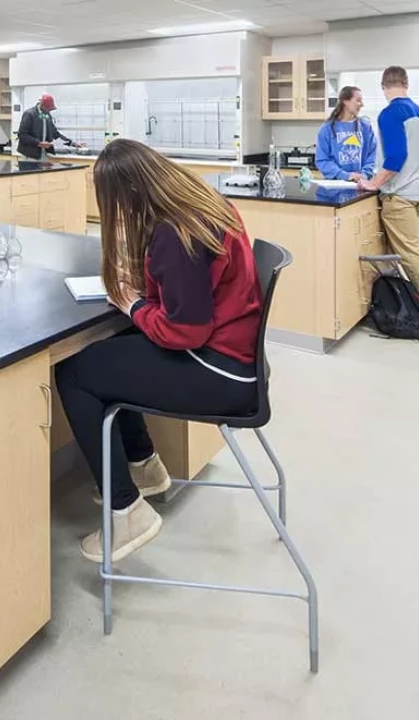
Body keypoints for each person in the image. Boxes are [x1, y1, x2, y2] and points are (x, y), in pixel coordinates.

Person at [55, 139, 263, 563]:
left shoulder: (175, 233)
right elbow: (193, 288)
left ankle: (126, 511)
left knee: (75, 372)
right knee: (108, 355)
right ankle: (143, 465)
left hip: (219, 372)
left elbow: (185, 331)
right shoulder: (202, 205)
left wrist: (132, 304)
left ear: (131, 192)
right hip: (236, 359)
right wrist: (146, 288)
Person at [357, 66, 419, 327]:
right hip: (417, 191)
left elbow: (395, 158)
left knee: (410, 253)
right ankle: (403, 302)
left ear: (383, 86)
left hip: (400, 194)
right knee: (406, 251)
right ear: (406, 83)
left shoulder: (390, 114)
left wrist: (373, 183)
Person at [316, 86, 378, 182]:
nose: (362, 104)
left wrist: (364, 174)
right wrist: (345, 175)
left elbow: (373, 155)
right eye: (358, 100)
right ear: (345, 101)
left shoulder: (365, 127)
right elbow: (322, 160)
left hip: (361, 183)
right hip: (335, 185)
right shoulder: (327, 129)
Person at [16, 94, 85, 160]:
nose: (49, 111)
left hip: (44, 154)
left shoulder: (47, 115)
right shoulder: (29, 114)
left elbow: (55, 134)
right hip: (29, 155)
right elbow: (22, 135)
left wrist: (73, 143)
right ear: (42, 105)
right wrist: (38, 143)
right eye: (48, 108)